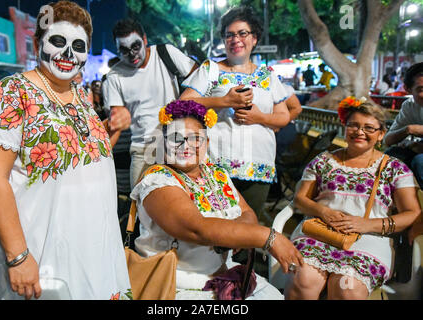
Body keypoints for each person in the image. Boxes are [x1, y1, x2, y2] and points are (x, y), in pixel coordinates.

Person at [0, 1, 131, 300]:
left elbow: (83, 157)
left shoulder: (80, 95)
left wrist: (113, 130)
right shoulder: (10, 93)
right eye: (58, 42)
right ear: (37, 44)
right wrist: (18, 256)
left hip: (95, 252)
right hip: (44, 256)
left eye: (78, 45)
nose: (68, 54)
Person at [130, 99, 304, 300]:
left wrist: (233, 234)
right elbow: (197, 228)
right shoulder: (158, 181)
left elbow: (247, 213)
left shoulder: (216, 175)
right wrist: (267, 237)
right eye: (175, 138)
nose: (185, 145)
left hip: (226, 275)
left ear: (207, 143)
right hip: (176, 286)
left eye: (195, 138)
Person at [285, 99, 421, 300]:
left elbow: (412, 212)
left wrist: (366, 224)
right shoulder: (323, 161)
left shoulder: (395, 169)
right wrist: (324, 212)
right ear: (345, 127)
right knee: (303, 280)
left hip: (370, 238)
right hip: (319, 232)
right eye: (354, 126)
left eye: (369, 128)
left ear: (381, 134)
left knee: (347, 288)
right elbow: (300, 199)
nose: (360, 132)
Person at [180, 6, 290, 219]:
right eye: (229, 35)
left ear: (254, 38)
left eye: (242, 33)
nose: (235, 39)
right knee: (215, 225)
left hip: (258, 166)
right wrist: (223, 101)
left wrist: (260, 117)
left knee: (249, 226)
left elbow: (284, 116)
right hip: (215, 164)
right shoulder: (211, 70)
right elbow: (183, 104)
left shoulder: (267, 75)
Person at [102, 18, 198, 189]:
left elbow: (199, 77)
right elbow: (116, 124)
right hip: (142, 150)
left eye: (135, 46)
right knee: (140, 207)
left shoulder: (165, 53)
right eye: (124, 50)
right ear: (116, 50)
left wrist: (184, 106)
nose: (132, 54)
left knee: (183, 203)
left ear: (145, 40)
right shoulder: (114, 77)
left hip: (177, 144)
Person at [384, 62, 423, 188]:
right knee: (393, 155)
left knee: (420, 161)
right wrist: (408, 129)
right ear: (407, 89)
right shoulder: (410, 106)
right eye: (421, 89)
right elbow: (388, 140)